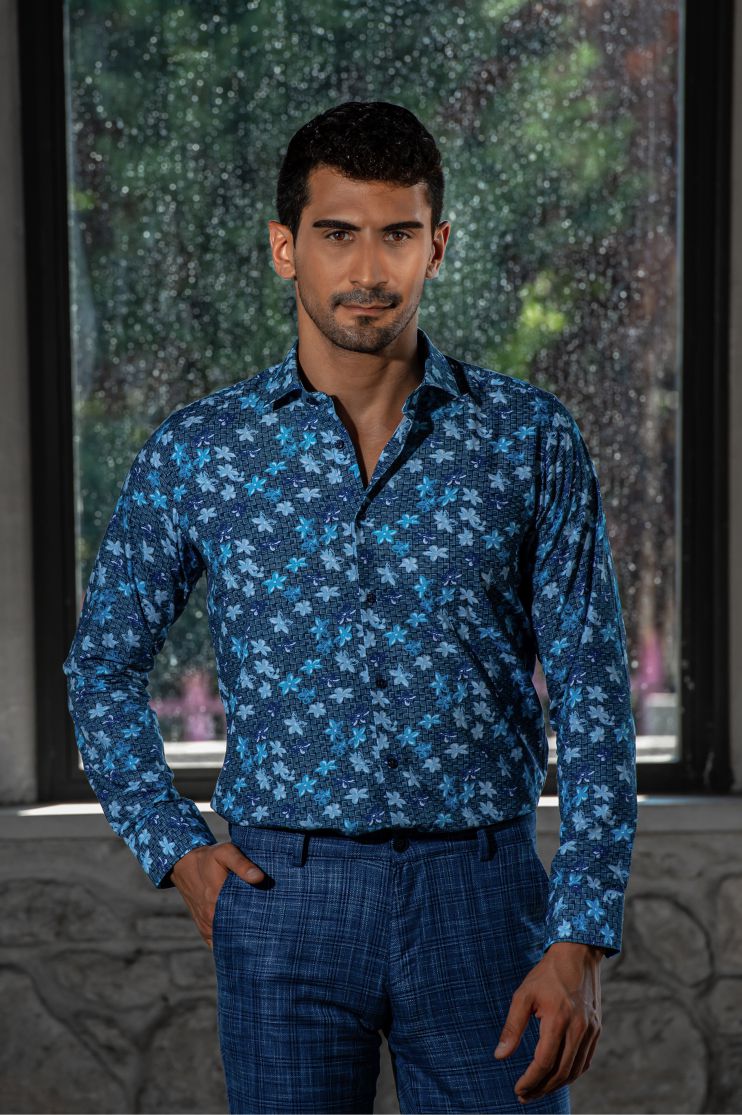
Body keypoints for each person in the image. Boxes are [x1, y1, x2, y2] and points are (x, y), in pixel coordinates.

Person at [63, 100, 638, 1115]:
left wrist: (582, 930)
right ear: (285, 247)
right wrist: (176, 848)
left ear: (437, 246)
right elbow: (101, 663)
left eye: (396, 235)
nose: (368, 270)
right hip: (281, 896)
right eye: (337, 234)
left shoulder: (528, 439)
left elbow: (592, 688)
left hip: (483, 893)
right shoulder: (203, 450)